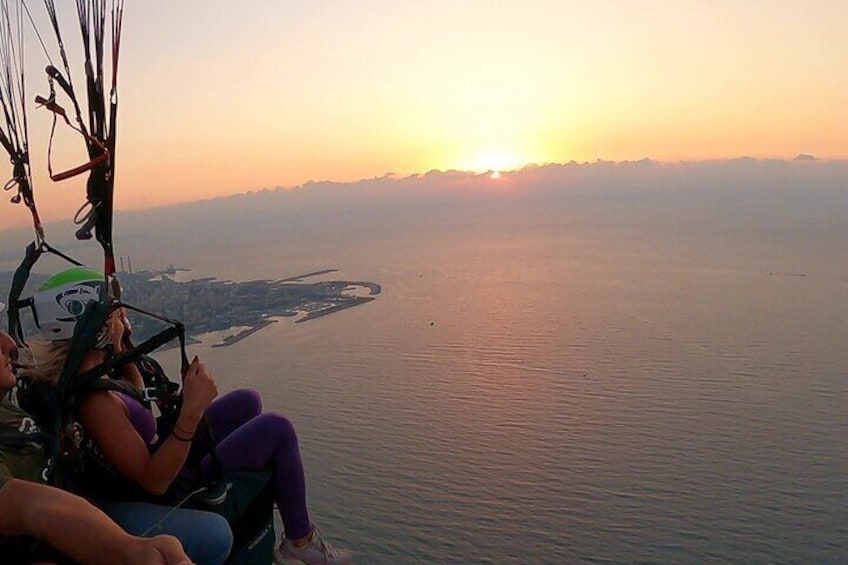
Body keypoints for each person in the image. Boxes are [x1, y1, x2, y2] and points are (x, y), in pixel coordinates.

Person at [27, 267, 353, 565]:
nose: (121, 315)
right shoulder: (95, 403)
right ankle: (300, 542)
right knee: (277, 429)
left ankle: (296, 530)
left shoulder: (94, 376)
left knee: (247, 401)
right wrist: (191, 413)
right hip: (168, 487)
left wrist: (122, 340)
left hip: (162, 456)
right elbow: (153, 482)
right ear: (90, 322)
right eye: (113, 311)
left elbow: (136, 397)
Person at [0, 329, 192, 565]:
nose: (8, 344)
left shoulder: (8, 402)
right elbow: (33, 507)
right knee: (218, 535)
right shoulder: (92, 399)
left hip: (89, 515)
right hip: (78, 535)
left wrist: (118, 347)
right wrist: (127, 551)